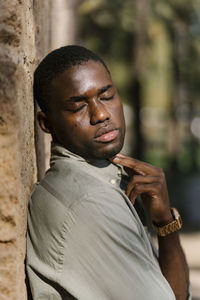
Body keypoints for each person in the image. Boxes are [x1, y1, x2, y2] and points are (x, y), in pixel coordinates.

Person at [26, 45, 190, 300]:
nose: (101, 114)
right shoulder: (88, 202)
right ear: (46, 123)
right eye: (78, 106)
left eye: (106, 96)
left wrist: (165, 223)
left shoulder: (104, 180)